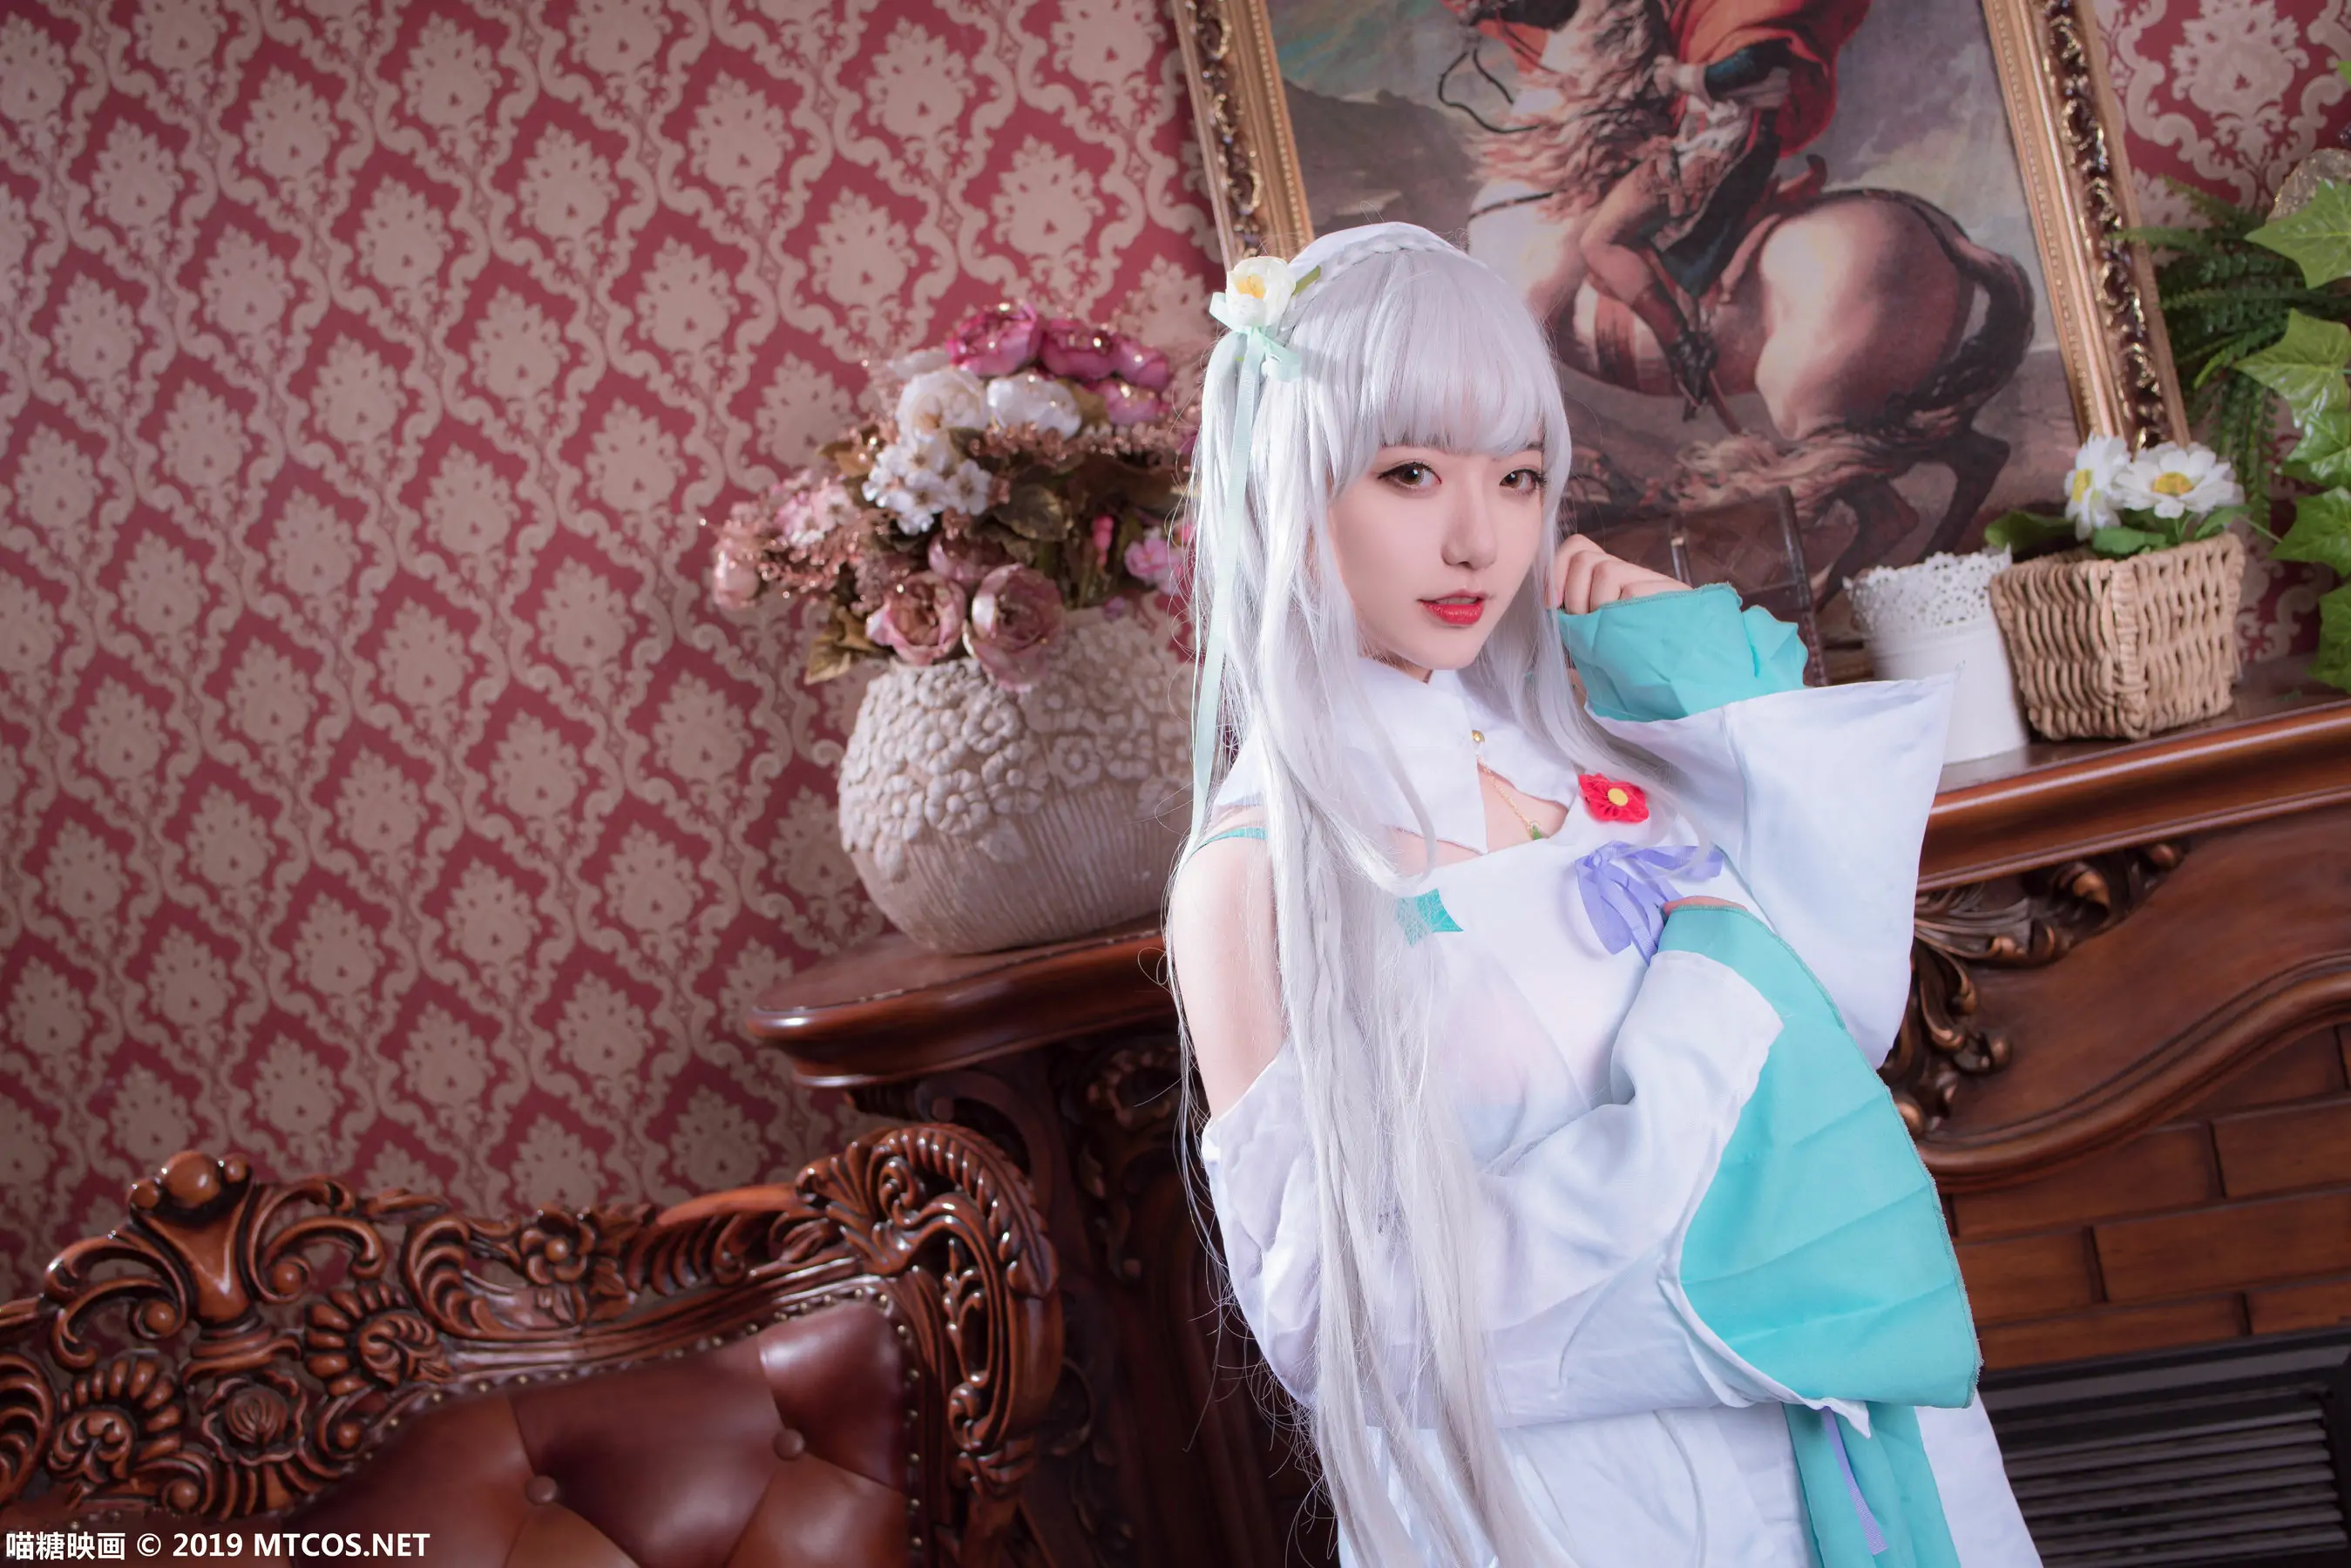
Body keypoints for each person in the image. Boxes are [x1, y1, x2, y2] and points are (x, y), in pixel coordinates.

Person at [1164, 221, 2039, 1567]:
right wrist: (1696, 1093)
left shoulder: (1583, 760)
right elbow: (1327, 1317)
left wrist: (1695, 678)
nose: (1478, 538)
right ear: (1282, 483)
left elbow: (1840, 1016)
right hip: (1572, 1511)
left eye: (1517, 476)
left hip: (1832, 1462)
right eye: (1409, 473)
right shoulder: (1258, 874)